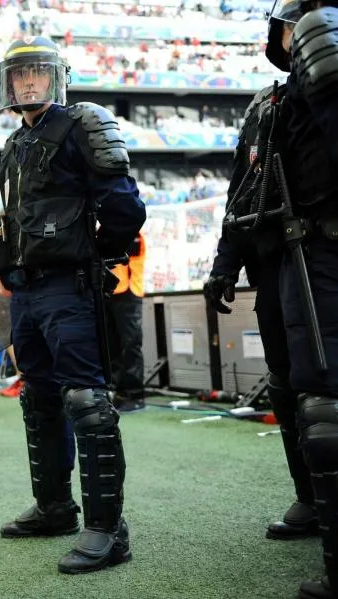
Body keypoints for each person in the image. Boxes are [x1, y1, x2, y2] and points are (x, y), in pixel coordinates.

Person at [0, 37, 146, 573]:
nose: (28, 83)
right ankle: (55, 508)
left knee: (86, 400)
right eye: (20, 76)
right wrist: (4, 267)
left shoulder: (83, 122)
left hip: (69, 285)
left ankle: (108, 530)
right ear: (8, 84)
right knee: (40, 397)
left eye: (37, 73)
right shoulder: (13, 144)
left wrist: (94, 255)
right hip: (28, 291)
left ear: (55, 78)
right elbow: (10, 218)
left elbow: (123, 204)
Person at [205, 0, 317, 546]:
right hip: (275, 266)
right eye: (298, 25)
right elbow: (241, 194)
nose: (308, 34)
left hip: (325, 258)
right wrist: (225, 265)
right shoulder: (262, 105)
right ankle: (313, 497)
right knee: (288, 385)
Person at [274, 0, 338, 595]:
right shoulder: (284, 97)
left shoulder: (321, 67)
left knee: (325, 411)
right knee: (315, 405)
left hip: (325, 257)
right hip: (304, 254)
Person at [107, 233, 147, 412]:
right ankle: (119, 392)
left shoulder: (132, 232)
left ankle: (135, 393)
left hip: (128, 291)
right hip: (109, 291)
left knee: (131, 344)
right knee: (112, 345)